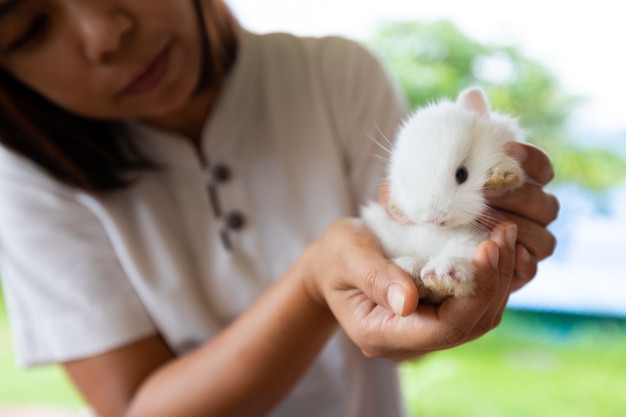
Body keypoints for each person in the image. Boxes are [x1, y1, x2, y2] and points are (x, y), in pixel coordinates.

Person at [0, 1, 558, 416]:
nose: (105, 33)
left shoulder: (337, 76)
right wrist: (316, 284)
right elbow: (133, 406)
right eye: (29, 28)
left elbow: (409, 327)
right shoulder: (26, 180)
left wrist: (465, 268)